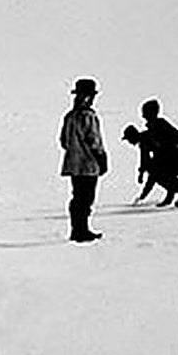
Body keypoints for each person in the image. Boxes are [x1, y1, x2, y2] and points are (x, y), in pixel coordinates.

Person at [59, 78, 108, 243]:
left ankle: (77, 229)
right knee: (86, 198)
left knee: (77, 197)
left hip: (74, 165)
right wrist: (102, 158)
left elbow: (63, 141)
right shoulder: (89, 116)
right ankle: (82, 230)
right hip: (88, 164)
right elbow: (94, 141)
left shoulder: (69, 116)